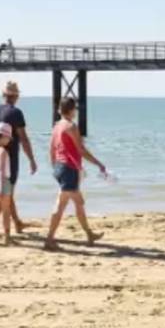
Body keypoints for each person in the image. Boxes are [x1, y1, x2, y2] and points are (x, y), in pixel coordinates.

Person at [44, 96, 106, 251]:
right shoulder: (71, 127)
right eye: (75, 109)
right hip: (68, 169)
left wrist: (55, 169)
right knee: (73, 203)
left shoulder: (57, 126)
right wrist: (98, 163)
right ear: (72, 110)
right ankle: (49, 239)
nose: (76, 111)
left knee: (67, 203)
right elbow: (81, 150)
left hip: (60, 167)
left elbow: (51, 149)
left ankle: (88, 234)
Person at [0, 81, 38, 236]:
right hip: (9, 159)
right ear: (16, 96)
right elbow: (24, 139)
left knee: (3, 193)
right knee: (6, 194)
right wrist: (31, 159)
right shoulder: (16, 113)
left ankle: (17, 223)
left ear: (3, 95)